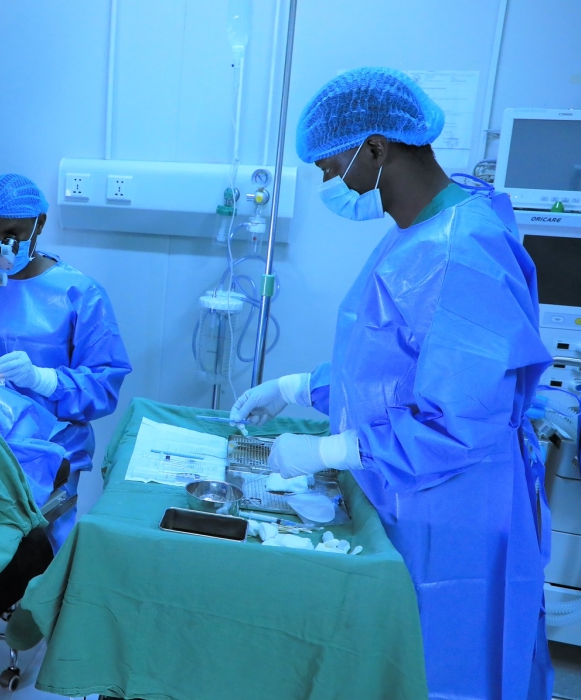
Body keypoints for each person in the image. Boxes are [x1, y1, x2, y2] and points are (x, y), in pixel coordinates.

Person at [231, 68, 553, 699]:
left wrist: (328, 451)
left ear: (377, 148)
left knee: (445, 669)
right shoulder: (422, 228)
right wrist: (300, 387)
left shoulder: (462, 249)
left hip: (455, 505)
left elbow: (462, 417)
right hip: (414, 491)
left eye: (330, 168)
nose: (329, 183)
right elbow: (389, 369)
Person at [0, 174, 132, 548]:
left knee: (34, 556)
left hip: (48, 449)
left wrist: (44, 380)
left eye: (13, 233)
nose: (1, 246)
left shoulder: (79, 293)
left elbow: (104, 383)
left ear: (39, 224)